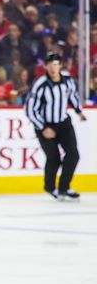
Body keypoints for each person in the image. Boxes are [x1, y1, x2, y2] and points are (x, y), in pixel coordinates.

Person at [24, 52, 87, 201]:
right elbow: (29, 109)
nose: (53, 68)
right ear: (45, 66)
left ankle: (64, 187)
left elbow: (72, 95)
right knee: (54, 158)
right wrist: (43, 127)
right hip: (45, 124)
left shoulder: (67, 80)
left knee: (73, 155)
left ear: (60, 66)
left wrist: (79, 111)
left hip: (63, 123)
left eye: (56, 64)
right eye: (50, 65)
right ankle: (50, 187)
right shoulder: (40, 84)